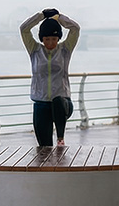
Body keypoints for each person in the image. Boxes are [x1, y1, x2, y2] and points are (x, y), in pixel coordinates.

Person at [20, 8, 80, 146]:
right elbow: (24, 29)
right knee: (44, 148)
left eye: (54, 39)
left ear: (59, 38)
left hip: (63, 104)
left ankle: (60, 138)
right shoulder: (34, 50)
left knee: (58, 101)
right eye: (47, 39)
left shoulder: (65, 49)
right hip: (41, 104)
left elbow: (75, 29)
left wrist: (58, 17)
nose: (51, 43)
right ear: (42, 39)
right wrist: (41, 16)